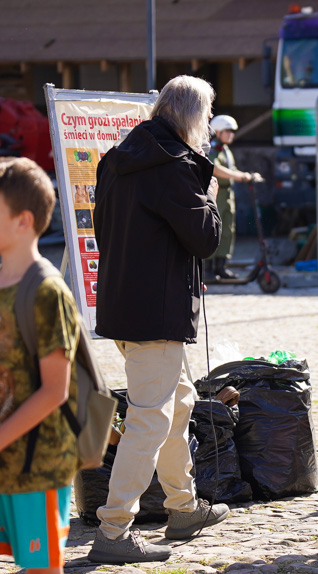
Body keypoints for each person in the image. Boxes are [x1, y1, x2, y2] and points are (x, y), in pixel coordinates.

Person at [87, 76, 229, 564]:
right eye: (208, 117)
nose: (209, 127)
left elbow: (112, 232)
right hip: (156, 314)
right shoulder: (174, 166)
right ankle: (113, 530)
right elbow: (206, 239)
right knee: (151, 418)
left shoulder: (118, 158)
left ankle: (183, 506)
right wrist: (208, 191)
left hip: (124, 305)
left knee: (180, 401)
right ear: (191, 115)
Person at [0, 158, 80, 574]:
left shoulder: (47, 290)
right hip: (5, 461)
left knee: (42, 568)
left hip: (38, 463)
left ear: (22, 221)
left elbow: (55, 390)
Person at [206, 115, 261, 281]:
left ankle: (221, 266)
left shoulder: (227, 151)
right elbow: (214, 168)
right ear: (218, 132)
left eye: (232, 131)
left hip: (228, 192)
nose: (231, 134)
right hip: (217, 192)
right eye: (227, 131)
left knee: (228, 230)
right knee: (213, 229)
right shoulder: (213, 149)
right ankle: (208, 267)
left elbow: (232, 169)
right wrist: (242, 177)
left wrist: (246, 175)